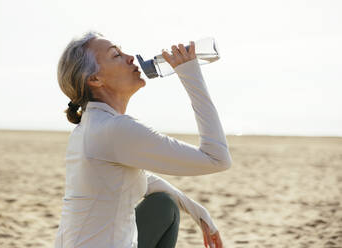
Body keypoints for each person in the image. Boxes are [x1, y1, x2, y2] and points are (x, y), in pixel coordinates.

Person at [54, 30, 232, 248]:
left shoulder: (91, 126)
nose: (130, 57)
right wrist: (190, 74)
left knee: (164, 205)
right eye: (116, 55)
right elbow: (217, 158)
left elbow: (144, 181)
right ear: (94, 79)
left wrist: (198, 212)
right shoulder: (115, 129)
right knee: (165, 206)